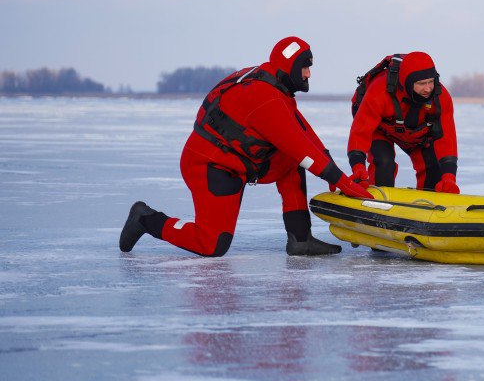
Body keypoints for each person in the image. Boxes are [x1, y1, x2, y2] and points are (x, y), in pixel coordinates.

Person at [119, 36, 374, 257]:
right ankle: (145, 218)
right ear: (290, 67)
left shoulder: (273, 81)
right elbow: (303, 150)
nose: (308, 74)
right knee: (212, 244)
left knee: (289, 162)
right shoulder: (266, 99)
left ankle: (300, 239)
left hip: (240, 161)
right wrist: (347, 185)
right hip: (210, 165)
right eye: (305, 67)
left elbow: (303, 131)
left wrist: (335, 178)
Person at [346, 52, 459, 193]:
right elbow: (360, 132)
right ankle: (378, 201)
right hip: (381, 129)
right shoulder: (379, 91)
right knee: (384, 162)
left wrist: (449, 178)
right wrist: (358, 169)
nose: (428, 88)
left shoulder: (441, 98)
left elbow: (447, 139)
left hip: (416, 133)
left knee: (434, 167)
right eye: (421, 83)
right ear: (407, 82)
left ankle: (427, 205)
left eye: (431, 81)